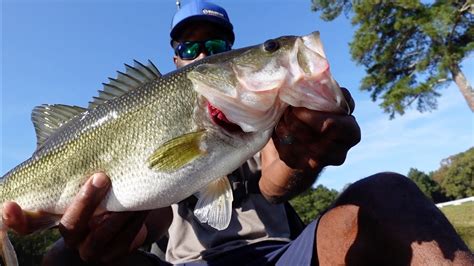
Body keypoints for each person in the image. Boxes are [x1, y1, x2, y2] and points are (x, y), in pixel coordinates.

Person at [4, 1, 473, 265]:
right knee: (63, 261)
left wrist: (298, 156)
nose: (203, 55)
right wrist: (106, 233)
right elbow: (155, 217)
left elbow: (273, 182)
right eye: (190, 46)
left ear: (230, 50)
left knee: (390, 192)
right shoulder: (177, 106)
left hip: (276, 255)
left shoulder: (265, 116)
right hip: (184, 263)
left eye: (215, 45)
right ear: (176, 59)